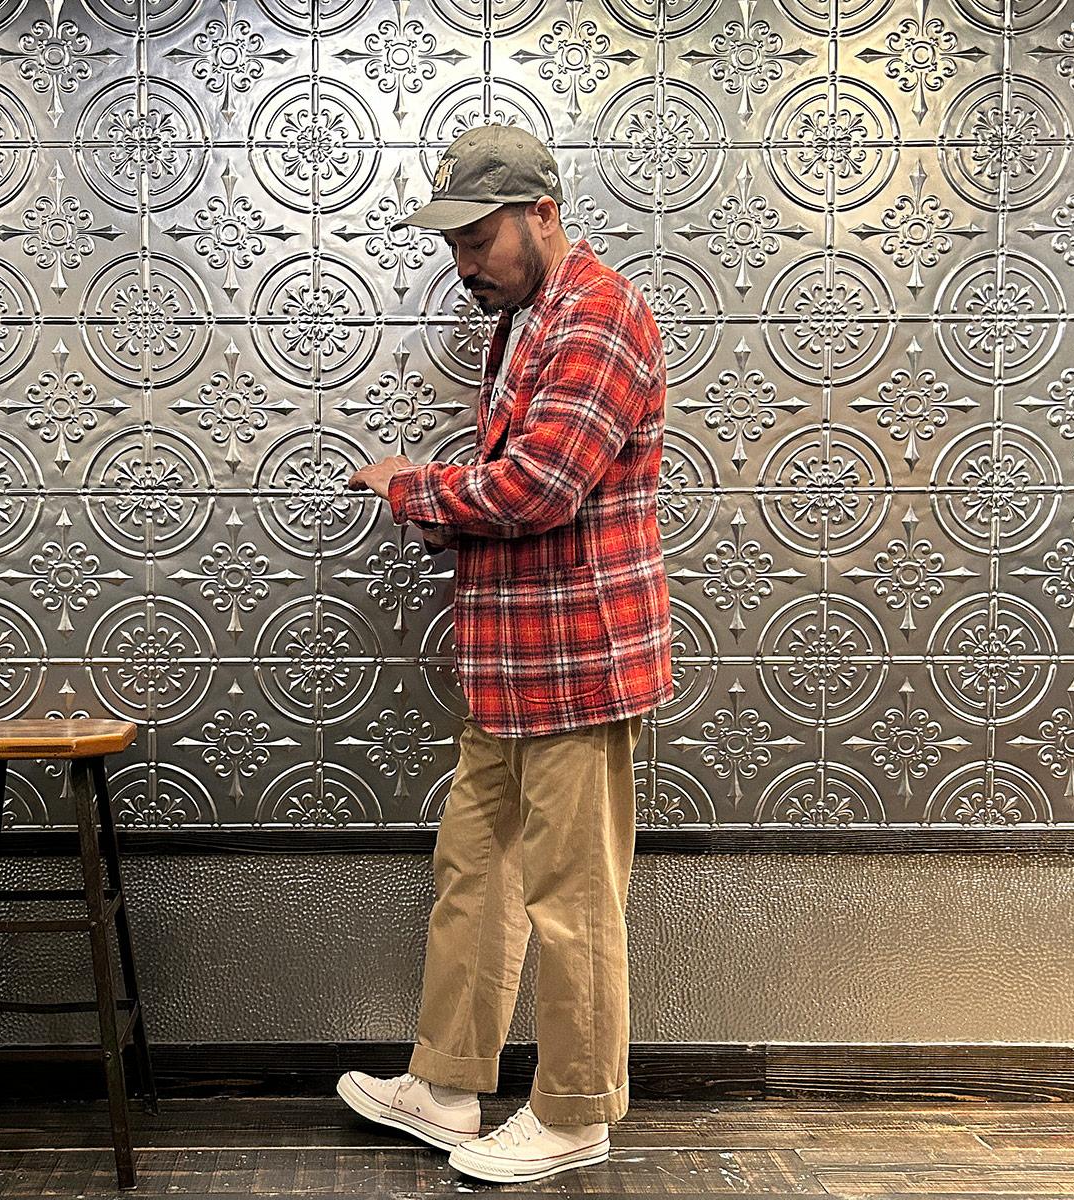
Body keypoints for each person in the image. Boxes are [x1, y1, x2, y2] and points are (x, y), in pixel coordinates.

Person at [341, 124, 672, 1185]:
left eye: (478, 239)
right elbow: (519, 486)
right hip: (509, 667)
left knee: (571, 901)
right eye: (452, 244)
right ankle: (446, 1084)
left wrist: (412, 487)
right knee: (475, 875)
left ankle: (574, 1113)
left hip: (577, 666)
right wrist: (445, 508)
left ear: (543, 214)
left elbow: (538, 490)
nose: (464, 264)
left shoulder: (599, 314)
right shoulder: (526, 320)